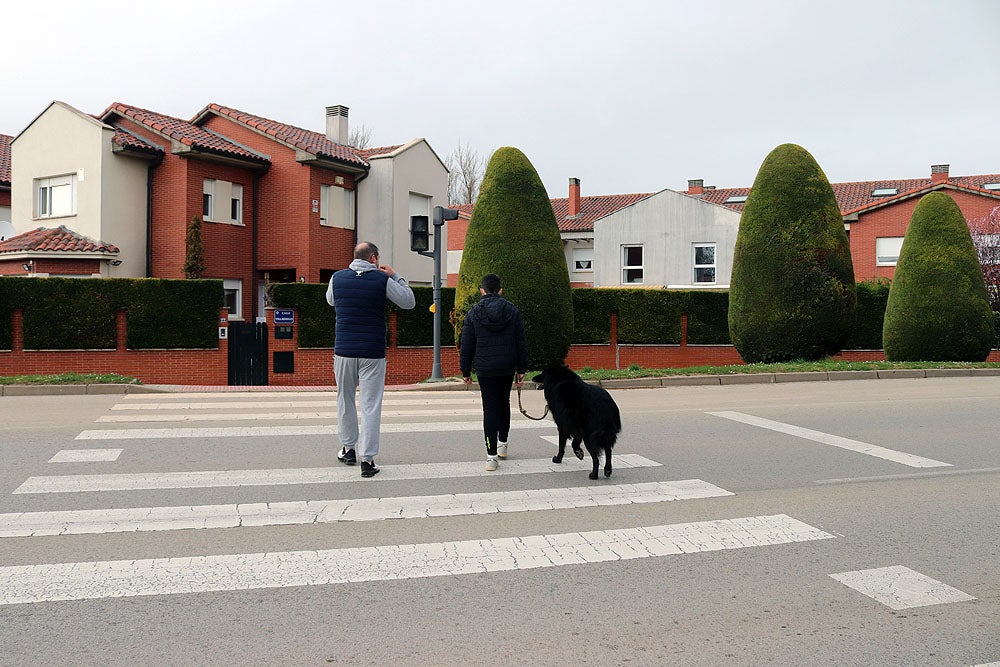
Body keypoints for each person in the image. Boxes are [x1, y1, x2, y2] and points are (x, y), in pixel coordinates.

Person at [326, 241, 415, 478]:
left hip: (344, 349)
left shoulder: (337, 278)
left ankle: (348, 449)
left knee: (344, 399)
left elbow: (331, 301)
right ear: (374, 258)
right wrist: (395, 276)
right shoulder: (382, 280)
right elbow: (409, 301)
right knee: (370, 405)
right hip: (372, 352)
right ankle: (367, 460)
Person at [460, 273, 528, 471]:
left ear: (482, 291)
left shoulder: (473, 313)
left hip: (485, 367)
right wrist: (521, 369)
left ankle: (491, 457)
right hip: (507, 365)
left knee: (489, 408)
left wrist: (465, 371)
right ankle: (503, 445)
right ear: (500, 290)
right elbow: (520, 342)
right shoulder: (512, 311)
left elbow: (467, 345)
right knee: (504, 403)